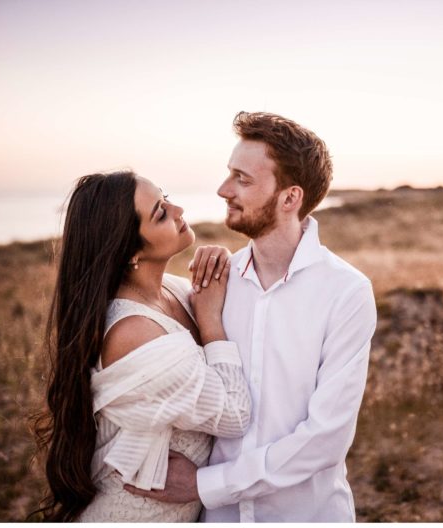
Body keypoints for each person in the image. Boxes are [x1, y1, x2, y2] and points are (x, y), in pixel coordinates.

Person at [125, 112, 378, 521]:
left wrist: (206, 485)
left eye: (242, 179)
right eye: (229, 174)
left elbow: (326, 439)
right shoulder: (212, 286)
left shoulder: (345, 293)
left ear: (289, 198)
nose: (224, 189)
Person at [31, 170, 251, 522]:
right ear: (130, 250)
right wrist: (210, 324)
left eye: (166, 197)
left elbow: (214, 291)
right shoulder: (133, 334)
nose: (179, 210)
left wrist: (221, 259)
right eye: (161, 213)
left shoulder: (172, 292)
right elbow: (235, 415)